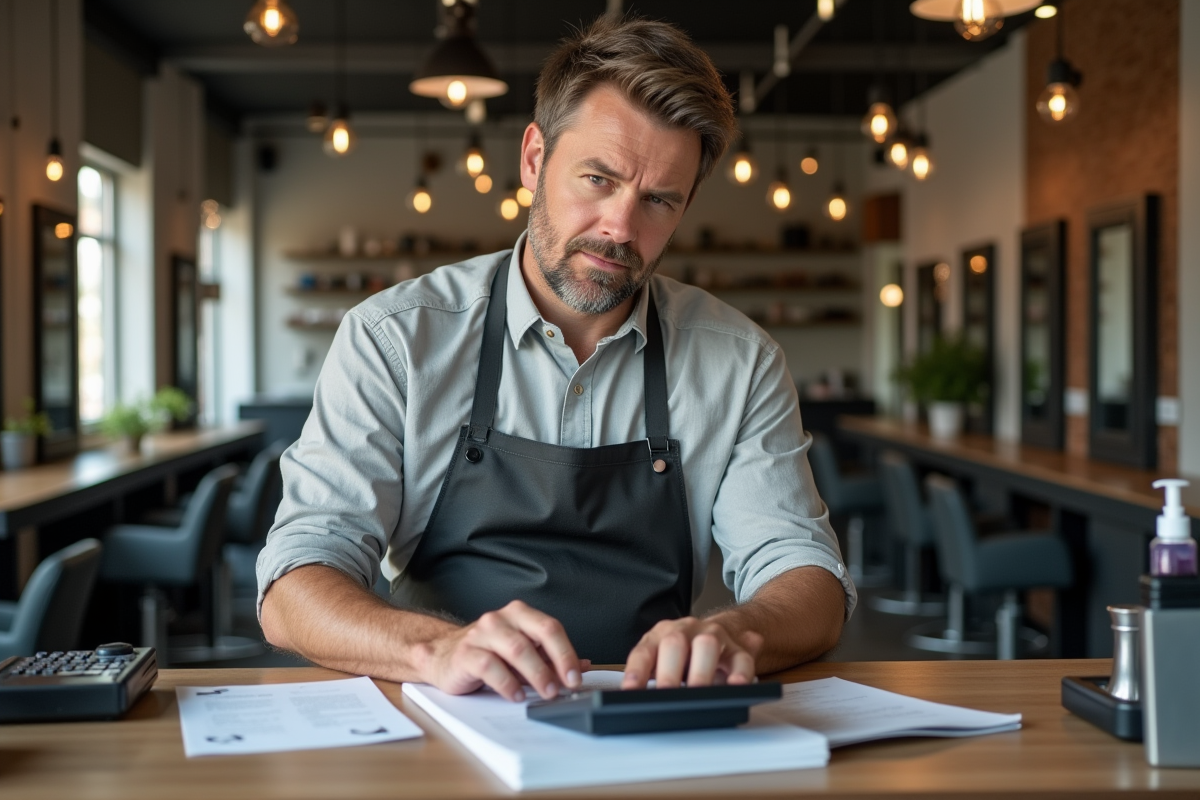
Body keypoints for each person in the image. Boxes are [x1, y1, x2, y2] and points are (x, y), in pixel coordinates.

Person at [258, 16, 856, 704]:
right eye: (598, 179)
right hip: (450, 718)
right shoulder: (394, 339)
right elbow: (295, 584)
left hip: (649, 722)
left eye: (659, 200)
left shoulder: (740, 361)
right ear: (535, 159)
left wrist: (740, 632)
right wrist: (434, 648)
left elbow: (807, 575)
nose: (621, 229)